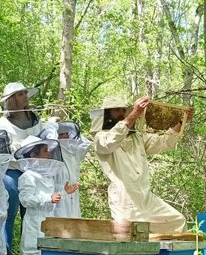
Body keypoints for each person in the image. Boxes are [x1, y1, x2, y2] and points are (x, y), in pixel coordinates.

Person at [92, 96, 193, 234]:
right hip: (124, 200)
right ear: (107, 114)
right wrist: (133, 115)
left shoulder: (137, 137)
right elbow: (110, 142)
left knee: (177, 222)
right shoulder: (100, 138)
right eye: (117, 110)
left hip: (146, 197)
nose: (122, 113)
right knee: (132, 238)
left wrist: (181, 123)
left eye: (124, 110)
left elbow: (162, 142)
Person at [0, 82, 58, 255]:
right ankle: (6, 253)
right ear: (12, 99)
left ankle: (32, 252)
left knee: (33, 213)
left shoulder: (35, 118)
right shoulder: (1, 123)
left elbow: (43, 141)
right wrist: (20, 147)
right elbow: (2, 150)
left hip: (36, 171)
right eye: (21, 94)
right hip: (12, 171)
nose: (25, 97)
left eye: (25, 93)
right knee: (9, 212)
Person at [15, 137, 64, 255]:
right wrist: (47, 199)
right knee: (31, 253)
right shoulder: (27, 177)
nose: (49, 153)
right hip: (34, 220)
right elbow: (25, 200)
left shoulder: (47, 177)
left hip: (48, 221)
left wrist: (64, 193)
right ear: (34, 154)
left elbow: (52, 199)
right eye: (45, 150)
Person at [39, 121, 91, 218]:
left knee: (73, 225)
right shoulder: (52, 152)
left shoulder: (73, 152)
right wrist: (52, 125)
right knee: (59, 226)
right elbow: (51, 139)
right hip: (59, 193)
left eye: (67, 133)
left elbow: (86, 144)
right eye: (61, 134)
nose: (66, 136)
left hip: (72, 193)